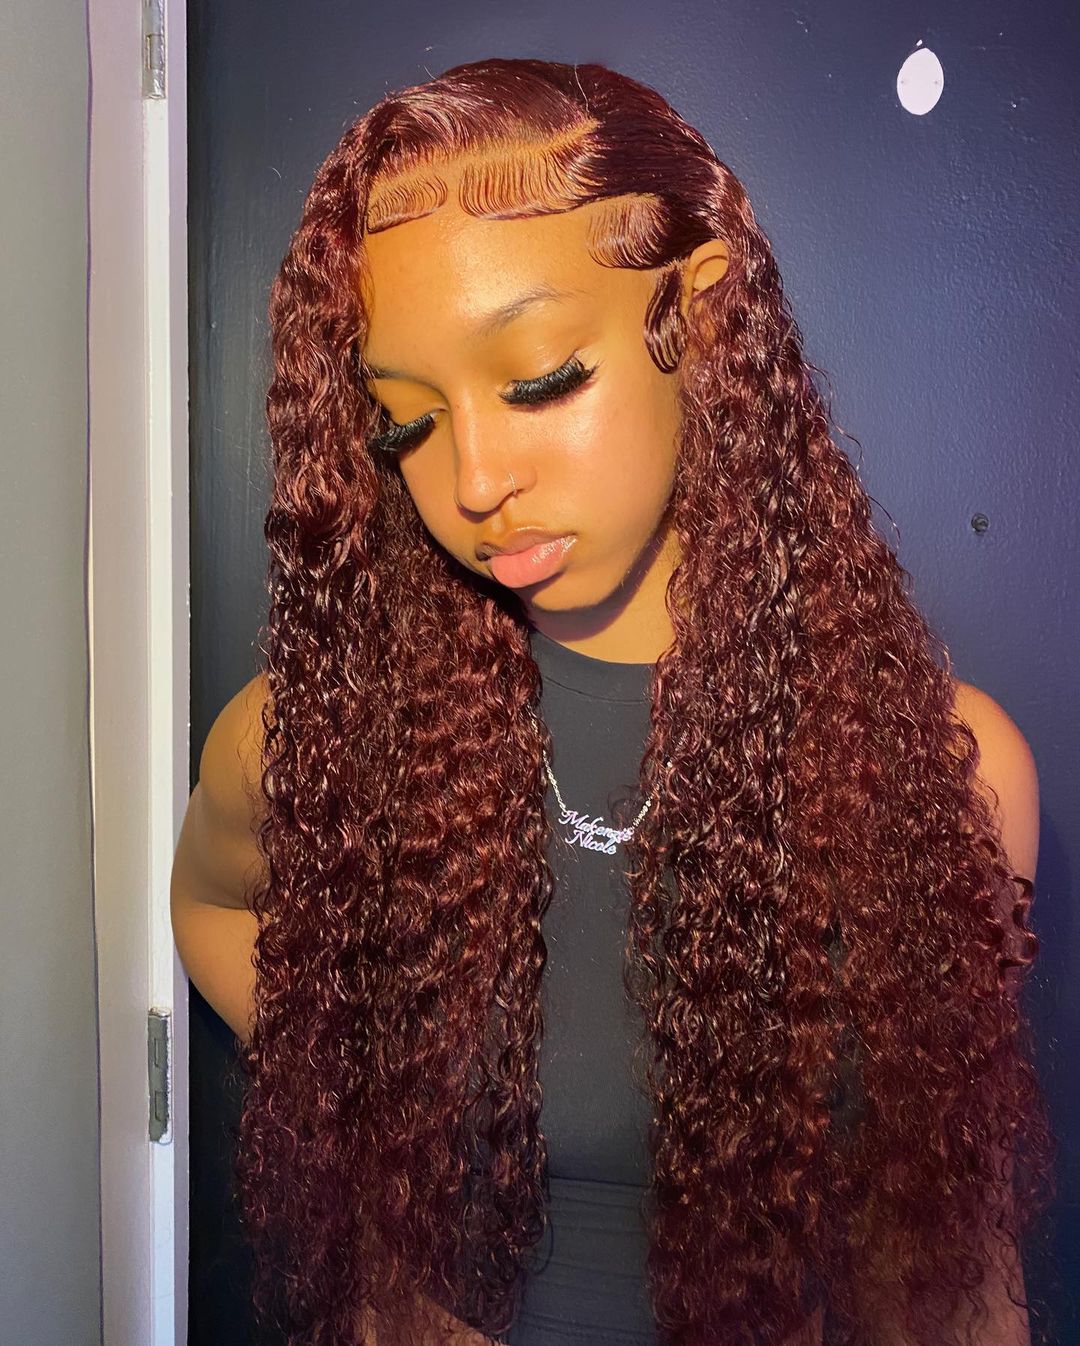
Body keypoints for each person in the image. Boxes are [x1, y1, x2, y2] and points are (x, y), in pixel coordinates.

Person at [170, 57, 1055, 1346]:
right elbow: (207, 902)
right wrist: (359, 1111)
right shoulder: (320, 738)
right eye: (408, 423)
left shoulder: (940, 774)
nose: (475, 480)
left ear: (698, 321)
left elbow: (951, 1256)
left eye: (537, 380)